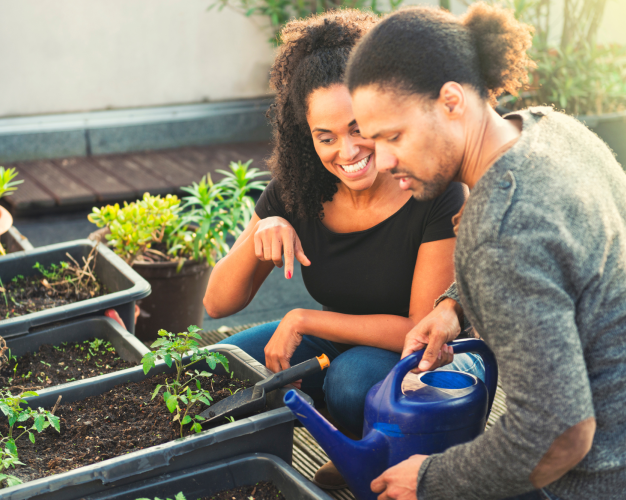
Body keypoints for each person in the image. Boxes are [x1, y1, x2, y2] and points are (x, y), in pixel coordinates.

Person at [345, 2, 626, 500]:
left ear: (451, 102)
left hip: (608, 481)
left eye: (393, 136)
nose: (380, 161)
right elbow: (555, 258)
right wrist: (453, 304)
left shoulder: (499, 231)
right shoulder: (549, 130)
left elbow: (561, 435)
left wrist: (431, 479)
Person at [202, 10, 485, 489]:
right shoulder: (298, 188)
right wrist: (263, 228)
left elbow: (418, 332)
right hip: (346, 339)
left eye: (359, 128)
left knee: (352, 384)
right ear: (304, 135)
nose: (346, 151)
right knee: (218, 365)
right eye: (325, 136)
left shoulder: (432, 188)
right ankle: (333, 441)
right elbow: (216, 303)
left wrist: (303, 319)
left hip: (434, 358)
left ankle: (377, 452)